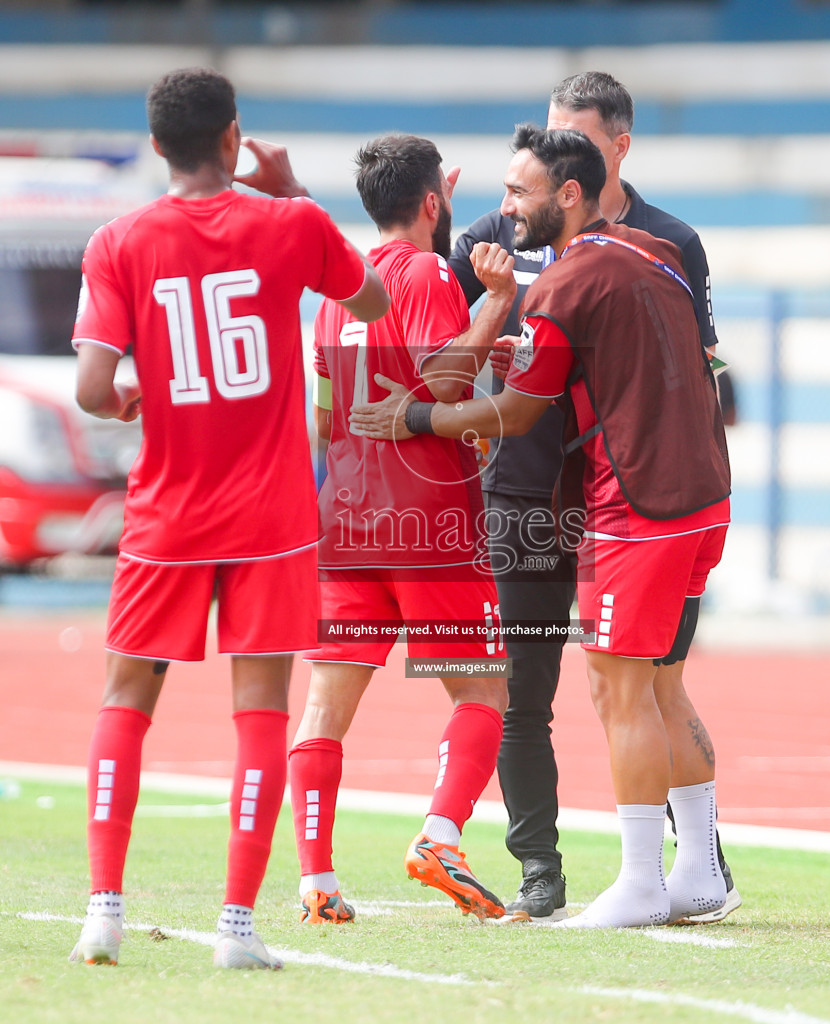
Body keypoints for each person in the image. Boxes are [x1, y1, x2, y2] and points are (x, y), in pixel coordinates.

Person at [352, 126, 732, 929]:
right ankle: (693, 873)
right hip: (698, 493)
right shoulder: (658, 249)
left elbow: (523, 408)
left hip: (634, 502)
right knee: (658, 682)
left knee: (614, 684)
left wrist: (415, 413)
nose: (503, 207)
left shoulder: (564, 283)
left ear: (568, 193)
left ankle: (639, 883)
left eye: (518, 191)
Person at [66, 67, 388, 971]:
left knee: (126, 701)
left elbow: (92, 386)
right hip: (271, 518)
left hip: (166, 513)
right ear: (234, 135)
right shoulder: (290, 224)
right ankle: (237, 929)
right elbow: (373, 301)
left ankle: (103, 912)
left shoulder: (118, 240)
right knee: (259, 713)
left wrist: (130, 397)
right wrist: (289, 191)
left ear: (157, 141)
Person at [290, 133, 516, 924]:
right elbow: (444, 380)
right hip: (426, 520)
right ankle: (441, 837)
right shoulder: (426, 274)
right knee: (483, 687)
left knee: (325, 702)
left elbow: (324, 425)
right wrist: (493, 303)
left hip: (346, 522)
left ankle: (316, 882)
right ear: (432, 203)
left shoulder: (335, 296)